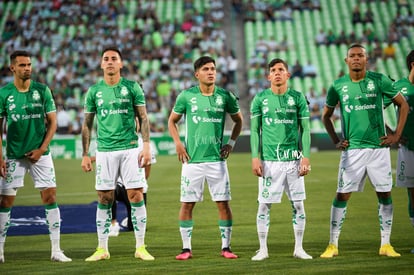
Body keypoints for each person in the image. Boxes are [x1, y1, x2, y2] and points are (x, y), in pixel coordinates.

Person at [320, 44, 409, 258]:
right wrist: (335, 140)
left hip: (378, 149)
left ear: (366, 59)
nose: (357, 59)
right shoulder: (338, 85)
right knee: (342, 195)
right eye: (353, 56)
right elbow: (326, 116)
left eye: (360, 55)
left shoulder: (379, 80)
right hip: (353, 151)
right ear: (346, 60)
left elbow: (403, 105)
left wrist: (396, 135)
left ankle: (385, 244)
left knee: (385, 194)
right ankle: (332, 244)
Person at [81, 47, 154, 261]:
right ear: (101, 64)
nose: (110, 62)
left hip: (131, 148)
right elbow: (87, 125)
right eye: (106, 59)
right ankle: (102, 248)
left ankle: (140, 247)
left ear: (121, 64)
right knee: (104, 197)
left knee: (136, 195)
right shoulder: (94, 91)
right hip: (104, 150)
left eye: (114, 59)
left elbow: (144, 117)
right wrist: (85, 154)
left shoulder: (132, 87)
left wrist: (147, 145)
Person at [168, 56, 243, 260]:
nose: (211, 72)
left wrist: (231, 143)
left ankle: (226, 247)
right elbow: (172, 121)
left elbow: (239, 121)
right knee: (187, 204)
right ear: (197, 74)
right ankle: (186, 249)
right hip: (192, 161)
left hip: (217, 161)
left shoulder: (225, 96)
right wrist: (178, 143)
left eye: (213, 69)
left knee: (223, 204)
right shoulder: (186, 96)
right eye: (206, 69)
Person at [0, 50, 71, 263]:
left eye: (29, 64)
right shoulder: (4, 94)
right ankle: (0, 251)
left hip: (41, 155)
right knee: (5, 202)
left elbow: (53, 123)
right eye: (22, 65)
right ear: (12, 68)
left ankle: (56, 250)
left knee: (50, 197)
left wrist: (41, 149)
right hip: (13, 155)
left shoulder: (42, 90)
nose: (27, 68)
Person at [250, 58, 312, 261]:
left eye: (281, 70)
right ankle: (263, 249)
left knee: (298, 205)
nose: (277, 73)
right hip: (269, 161)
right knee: (263, 205)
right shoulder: (260, 99)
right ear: (268, 76)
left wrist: (306, 157)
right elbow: (254, 130)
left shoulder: (298, 97)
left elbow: (306, 129)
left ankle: (299, 248)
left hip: (293, 160)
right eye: (273, 70)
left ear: (288, 74)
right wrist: (255, 157)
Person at [108, 135, 157, 236]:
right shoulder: (119, 140)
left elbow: (147, 170)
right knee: (109, 188)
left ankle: (129, 219)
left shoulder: (145, 145)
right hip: (121, 186)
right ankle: (113, 223)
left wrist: (140, 184)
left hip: (137, 186)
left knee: (134, 227)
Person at [393, 50, 414, 253]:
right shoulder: (399, 87)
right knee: (413, 194)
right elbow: (375, 110)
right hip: (408, 149)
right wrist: (394, 134)